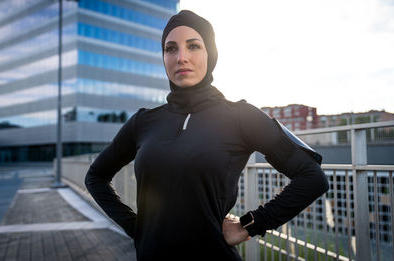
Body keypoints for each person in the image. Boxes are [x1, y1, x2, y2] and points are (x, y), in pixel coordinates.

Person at [85, 10, 329, 261]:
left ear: (211, 53)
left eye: (193, 46)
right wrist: (136, 228)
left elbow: (312, 178)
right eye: (171, 49)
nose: (181, 57)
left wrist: (250, 225)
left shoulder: (240, 116)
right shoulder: (143, 122)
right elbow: (96, 176)